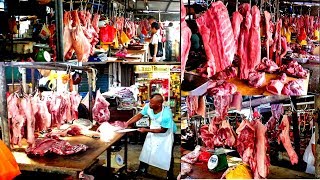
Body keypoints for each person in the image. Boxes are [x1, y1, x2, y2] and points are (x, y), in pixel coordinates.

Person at [125, 93, 177, 179]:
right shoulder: (148, 107)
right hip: (153, 131)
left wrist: (146, 130)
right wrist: (127, 123)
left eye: (152, 103)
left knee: (167, 154)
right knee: (147, 150)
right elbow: (139, 115)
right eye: (150, 102)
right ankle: (142, 170)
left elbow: (163, 130)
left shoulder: (167, 114)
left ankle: (169, 175)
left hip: (165, 134)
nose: (150, 104)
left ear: (159, 104)